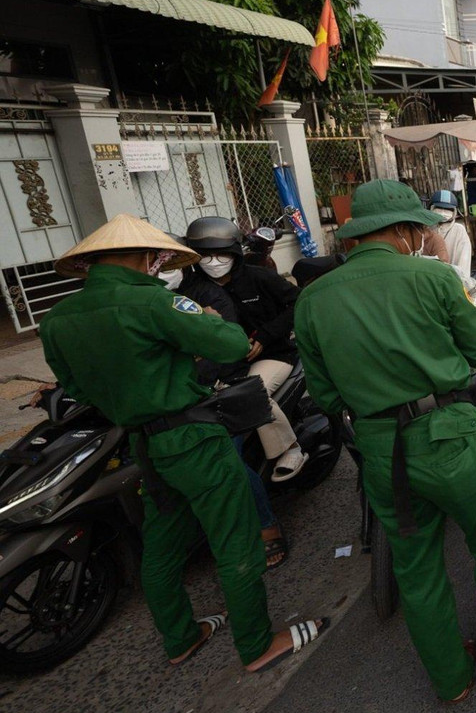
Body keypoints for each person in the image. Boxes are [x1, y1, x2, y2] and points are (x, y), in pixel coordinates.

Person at [295, 180, 476, 702]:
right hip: (449, 434)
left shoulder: (313, 298)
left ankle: (451, 680)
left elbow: (324, 393)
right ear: (406, 230)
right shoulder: (432, 277)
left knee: (416, 569)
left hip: (379, 449)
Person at [40, 215, 325, 673]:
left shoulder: (57, 319)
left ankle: (181, 637)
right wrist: (211, 321)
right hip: (194, 439)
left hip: (142, 444)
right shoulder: (158, 302)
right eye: (155, 257)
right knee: (235, 541)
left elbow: (77, 387)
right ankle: (257, 646)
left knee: (162, 547)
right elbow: (232, 345)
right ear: (143, 257)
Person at [160, 264, 286, 570]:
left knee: (229, 459)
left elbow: (227, 347)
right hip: (169, 402)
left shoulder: (206, 296)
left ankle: (266, 523)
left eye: (166, 265)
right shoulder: (144, 302)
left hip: (217, 388)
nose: (160, 272)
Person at [184, 217, 306, 482]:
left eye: (221, 254)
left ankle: (290, 448)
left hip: (271, 355)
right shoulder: (193, 290)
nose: (214, 262)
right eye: (206, 256)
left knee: (250, 392)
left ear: (235, 253)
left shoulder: (259, 277)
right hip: (221, 364)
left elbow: (299, 302)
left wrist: (266, 334)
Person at [427, 190, 473, 279]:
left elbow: (463, 263)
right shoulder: (427, 228)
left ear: (454, 212)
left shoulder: (458, 230)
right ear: (431, 208)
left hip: (453, 278)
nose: (443, 212)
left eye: (448, 210)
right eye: (439, 208)